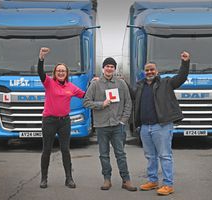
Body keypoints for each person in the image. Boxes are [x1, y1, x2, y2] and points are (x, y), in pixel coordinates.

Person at [135, 51, 190, 195]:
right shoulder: (140, 86)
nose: (149, 72)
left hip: (162, 126)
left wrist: (185, 63)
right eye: (147, 70)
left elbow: (181, 77)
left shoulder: (166, 83)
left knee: (165, 155)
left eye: (152, 69)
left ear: (157, 71)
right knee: (150, 156)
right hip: (145, 127)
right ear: (144, 72)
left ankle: (168, 184)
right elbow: (131, 95)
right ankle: (153, 181)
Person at [83, 57, 137, 192]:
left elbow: (128, 103)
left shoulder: (121, 84)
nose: (109, 68)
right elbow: (86, 102)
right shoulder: (95, 84)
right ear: (103, 68)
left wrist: (123, 120)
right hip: (102, 126)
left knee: (120, 154)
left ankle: (126, 180)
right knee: (104, 154)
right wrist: (102, 104)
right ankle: (107, 179)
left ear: (114, 69)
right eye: (107, 66)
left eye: (112, 66)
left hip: (118, 126)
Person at [37, 47, 85, 189]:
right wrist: (41, 58)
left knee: (65, 150)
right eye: (59, 71)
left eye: (63, 71)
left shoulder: (71, 87)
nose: (61, 72)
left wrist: (95, 83)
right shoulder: (49, 83)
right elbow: (40, 72)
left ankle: (69, 178)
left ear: (66, 73)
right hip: (49, 121)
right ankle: (44, 178)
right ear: (55, 73)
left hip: (64, 122)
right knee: (46, 150)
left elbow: (85, 95)